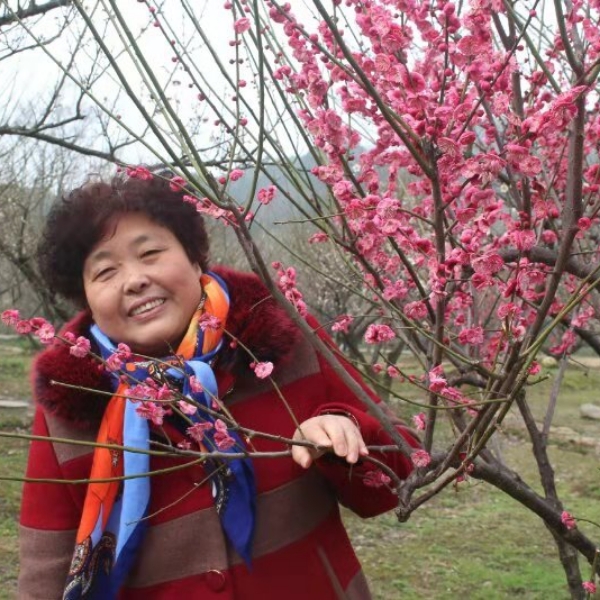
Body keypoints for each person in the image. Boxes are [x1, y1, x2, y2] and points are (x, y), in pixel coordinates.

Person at [18, 170, 419, 599]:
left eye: (150, 252)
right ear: (87, 300)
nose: (133, 280)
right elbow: (47, 566)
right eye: (105, 271)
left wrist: (345, 433)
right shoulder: (71, 401)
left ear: (194, 259)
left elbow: (399, 472)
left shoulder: (283, 336)